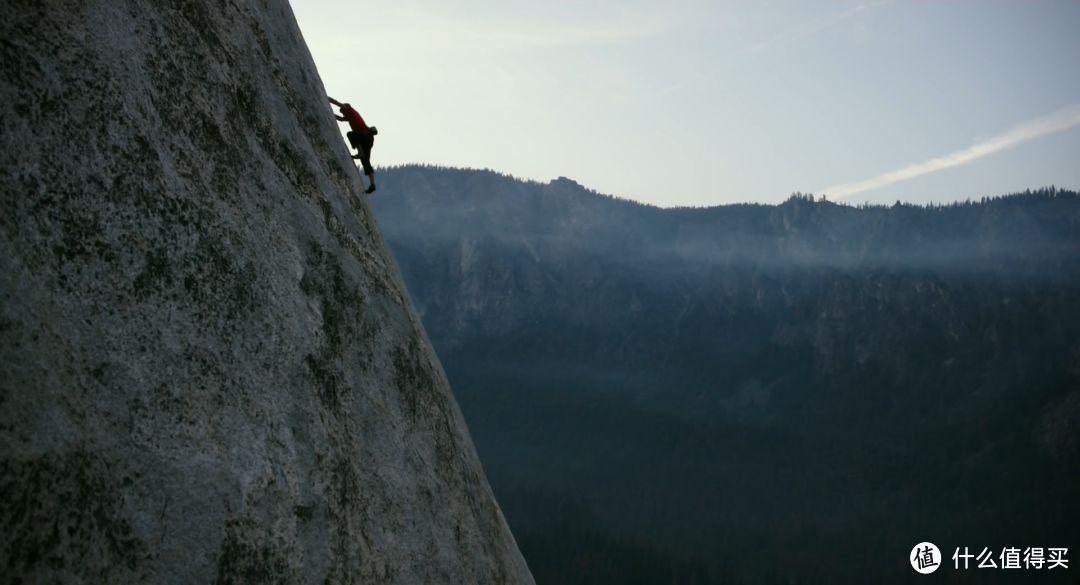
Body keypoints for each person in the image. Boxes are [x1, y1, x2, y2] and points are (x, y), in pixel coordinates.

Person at [329, 97, 377, 194]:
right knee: (366, 161)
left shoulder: (349, 110)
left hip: (363, 135)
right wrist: (331, 113)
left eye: (343, 112)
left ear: (345, 109)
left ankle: (359, 152)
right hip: (368, 138)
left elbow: (338, 103)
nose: (343, 113)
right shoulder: (350, 116)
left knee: (351, 134)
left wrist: (327, 99)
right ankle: (372, 184)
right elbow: (341, 119)